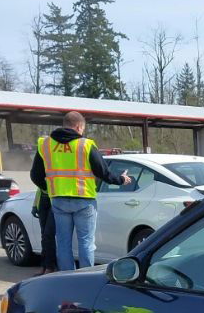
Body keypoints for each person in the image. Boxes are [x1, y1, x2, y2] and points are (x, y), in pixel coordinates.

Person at [30, 111, 130, 270]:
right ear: (78, 126)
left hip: (58, 200)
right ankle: (85, 277)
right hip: (84, 200)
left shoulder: (45, 144)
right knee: (86, 242)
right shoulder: (86, 145)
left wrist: (51, 189)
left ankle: (67, 278)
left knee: (63, 243)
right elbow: (103, 172)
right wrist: (121, 179)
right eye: (82, 129)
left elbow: (35, 175)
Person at [30, 187, 56, 275]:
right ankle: (44, 265)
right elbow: (39, 186)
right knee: (44, 236)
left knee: (48, 235)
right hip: (42, 199)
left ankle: (50, 266)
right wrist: (35, 204)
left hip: (54, 200)